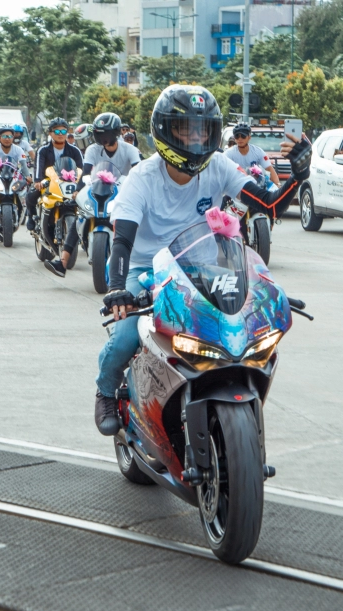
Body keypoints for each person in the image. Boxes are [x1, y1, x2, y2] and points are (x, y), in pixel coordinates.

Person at [92, 85, 312, 436]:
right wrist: (118, 290)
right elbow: (121, 240)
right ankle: (105, 391)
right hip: (146, 268)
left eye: (203, 129)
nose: (195, 137)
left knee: (231, 338)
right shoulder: (142, 178)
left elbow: (268, 205)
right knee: (123, 338)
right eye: (185, 128)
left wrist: (299, 176)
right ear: (165, 130)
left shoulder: (218, 165)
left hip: (200, 267)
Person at [28, 119, 84, 274]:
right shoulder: (43, 150)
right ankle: (31, 218)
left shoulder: (75, 150)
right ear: (50, 133)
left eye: (64, 131)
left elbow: (82, 170)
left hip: (70, 186)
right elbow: (38, 168)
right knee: (30, 195)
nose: (61, 135)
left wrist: (83, 183)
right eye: (57, 131)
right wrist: (38, 181)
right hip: (49, 183)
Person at [0, 125, 31, 218]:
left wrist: (28, 176)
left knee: (26, 187)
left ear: (13, 137)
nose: (7, 139)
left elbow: (23, 164)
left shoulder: (18, 149)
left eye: (9, 136)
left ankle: (24, 205)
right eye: (4, 136)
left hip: (14, 175)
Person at [82, 112, 140, 179]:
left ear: (115, 132)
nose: (102, 138)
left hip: (125, 188)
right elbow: (85, 173)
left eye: (105, 134)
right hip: (100, 188)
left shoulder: (130, 149)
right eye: (99, 134)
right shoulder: (92, 150)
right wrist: (78, 189)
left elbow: (138, 173)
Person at [224, 122, 280, 186]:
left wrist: (278, 185)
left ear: (249, 137)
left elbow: (270, 169)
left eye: (243, 136)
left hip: (255, 187)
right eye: (237, 136)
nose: (240, 139)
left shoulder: (258, 151)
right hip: (235, 186)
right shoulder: (229, 153)